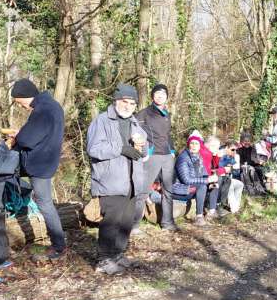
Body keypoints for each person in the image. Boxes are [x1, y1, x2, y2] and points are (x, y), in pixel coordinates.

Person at [87, 84, 148, 275]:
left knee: (126, 221)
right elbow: (94, 149)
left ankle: (118, 254)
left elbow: (144, 152)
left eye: (132, 103)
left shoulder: (136, 124)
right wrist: (121, 148)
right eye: (124, 102)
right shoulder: (102, 121)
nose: (128, 106)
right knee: (111, 222)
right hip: (110, 181)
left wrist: (141, 148)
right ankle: (104, 259)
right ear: (116, 101)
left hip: (132, 182)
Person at [8, 78, 67, 261]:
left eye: (20, 102)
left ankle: (58, 246)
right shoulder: (51, 106)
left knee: (45, 204)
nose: (21, 106)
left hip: (40, 164)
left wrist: (19, 135)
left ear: (25, 96)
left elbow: (27, 140)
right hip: (47, 160)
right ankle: (59, 243)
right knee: (45, 202)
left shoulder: (42, 110)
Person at [133, 84, 179, 231]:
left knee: (168, 190)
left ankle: (167, 223)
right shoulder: (144, 113)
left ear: (166, 97)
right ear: (152, 96)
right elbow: (134, 130)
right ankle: (134, 225)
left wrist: (172, 150)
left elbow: (168, 135)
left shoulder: (167, 114)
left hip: (167, 156)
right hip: (152, 156)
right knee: (143, 190)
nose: (160, 96)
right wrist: (145, 150)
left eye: (163, 94)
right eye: (157, 94)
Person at [173, 132, 221, 226]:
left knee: (215, 182)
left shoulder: (198, 156)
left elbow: (203, 173)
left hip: (191, 187)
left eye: (197, 144)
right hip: (180, 189)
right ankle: (199, 217)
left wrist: (210, 182)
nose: (194, 146)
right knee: (202, 186)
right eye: (192, 143)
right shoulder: (183, 158)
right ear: (188, 144)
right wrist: (207, 181)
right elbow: (186, 180)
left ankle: (211, 211)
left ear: (200, 146)